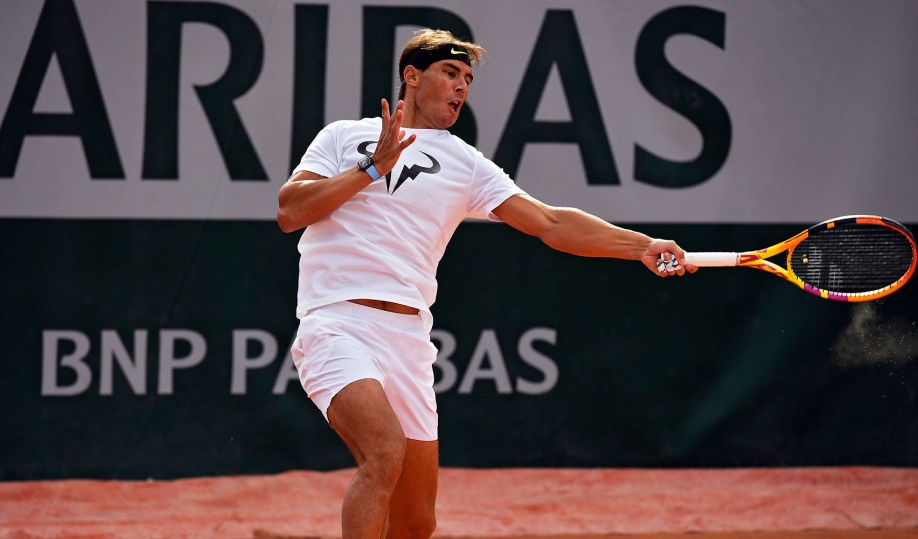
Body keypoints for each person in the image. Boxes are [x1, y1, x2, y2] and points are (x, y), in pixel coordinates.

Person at [277, 29, 696, 539]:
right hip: (336, 323)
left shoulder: (466, 163)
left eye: (468, 79)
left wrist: (639, 246)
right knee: (383, 452)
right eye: (450, 73)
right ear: (412, 76)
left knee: (415, 522)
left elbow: (550, 223)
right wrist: (371, 168)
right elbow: (290, 210)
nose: (461, 88)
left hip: (409, 338)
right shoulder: (345, 137)